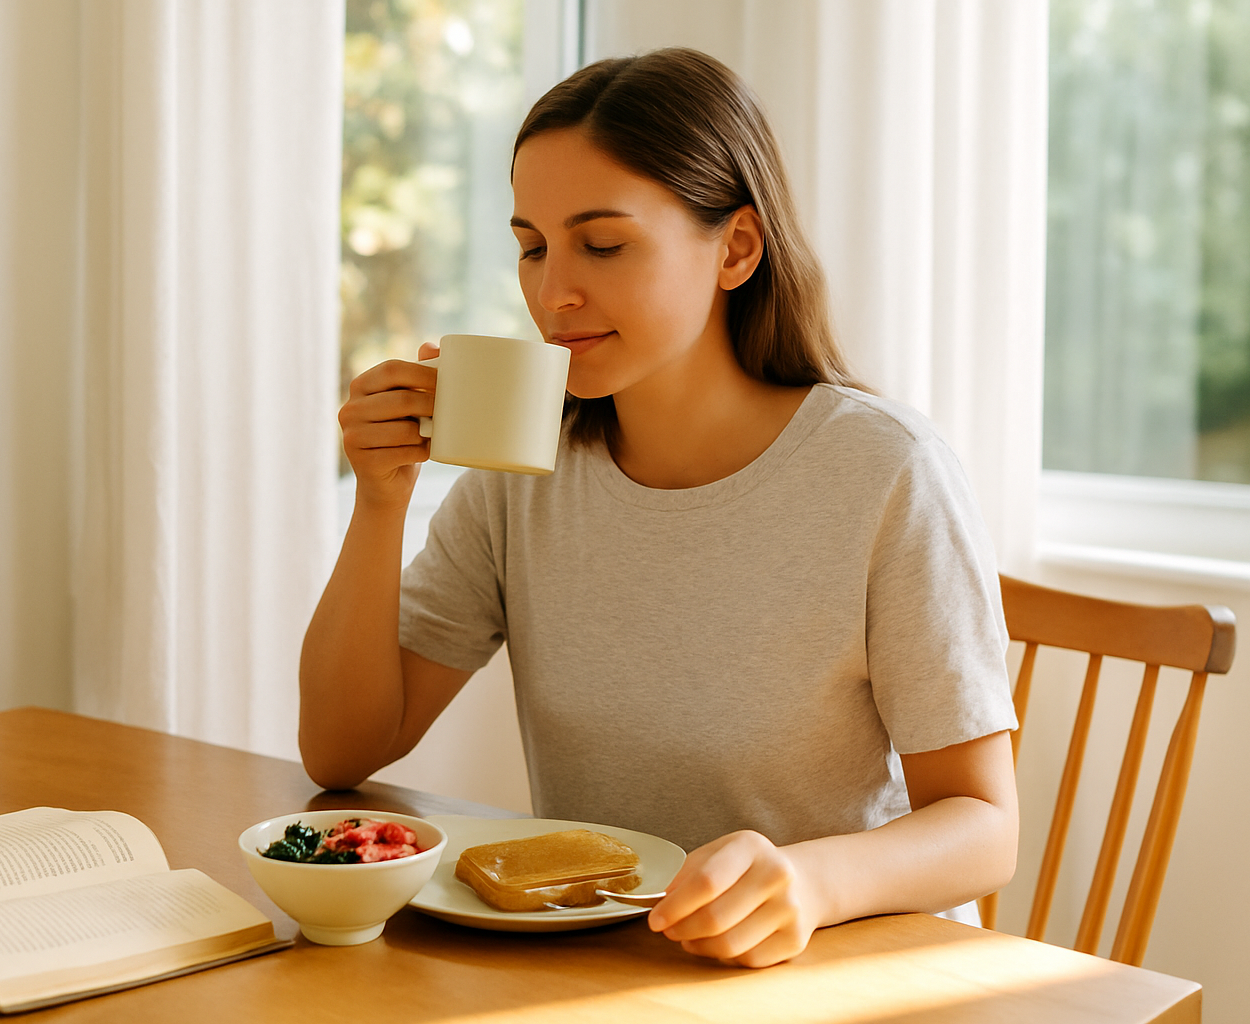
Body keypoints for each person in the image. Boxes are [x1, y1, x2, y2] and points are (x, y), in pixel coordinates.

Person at [300, 47, 1018, 967]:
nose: (552, 292)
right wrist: (380, 500)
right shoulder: (523, 471)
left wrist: (810, 883)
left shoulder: (886, 471)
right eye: (531, 245)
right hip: (609, 966)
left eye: (602, 245)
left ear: (737, 249)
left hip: (832, 972)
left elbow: (983, 826)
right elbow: (340, 750)